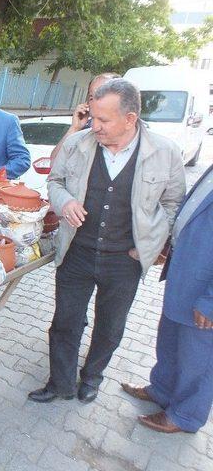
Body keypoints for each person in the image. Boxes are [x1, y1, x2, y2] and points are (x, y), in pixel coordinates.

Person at [29, 79, 185, 404]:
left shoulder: (164, 152)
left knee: (110, 327)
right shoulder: (78, 144)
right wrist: (65, 202)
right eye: (93, 118)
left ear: (130, 119)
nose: (94, 126)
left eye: (103, 120)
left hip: (124, 261)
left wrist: (151, 245)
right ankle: (61, 383)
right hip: (76, 252)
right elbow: (55, 181)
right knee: (65, 322)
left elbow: (172, 204)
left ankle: (92, 377)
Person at [121, 165, 213, 433]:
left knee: (199, 357)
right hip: (187, 276)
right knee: (171, 342)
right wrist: (168, 244)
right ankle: (162, 390)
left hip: (205, 292)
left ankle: (185, 416)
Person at [50, 72, 120, 163]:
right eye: (91, 97)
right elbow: (54, 162)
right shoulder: (85, 132)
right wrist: (75, 128)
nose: (96, 102)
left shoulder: (134, 136)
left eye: (102, 95)